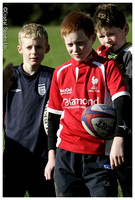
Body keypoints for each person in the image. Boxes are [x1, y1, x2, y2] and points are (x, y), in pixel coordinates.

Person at [44, 11, 131, 197]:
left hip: (99, 155)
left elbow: (122, 102)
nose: (75, 49)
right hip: (65, 156)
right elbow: (53, 117)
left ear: (92, 38)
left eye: (80, 43)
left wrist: (118, 138)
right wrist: (52, 157)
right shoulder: (60, 73)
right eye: (70, 44)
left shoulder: (107, 67)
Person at [3, 23, 56, 197]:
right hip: (13, 158)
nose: (34, 52)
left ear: (47, 48)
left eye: (39, 47)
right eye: (29, 47)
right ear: (20, 49)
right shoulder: (8, 78)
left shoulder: (53, 78)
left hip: (42, 160)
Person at [93, 4, 132, 197]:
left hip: (128, 135)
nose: (107, 40)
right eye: (101, 36)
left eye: (111, 34)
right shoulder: (102, 59)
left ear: (125, 29)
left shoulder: (131, 56)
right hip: (106, 134)